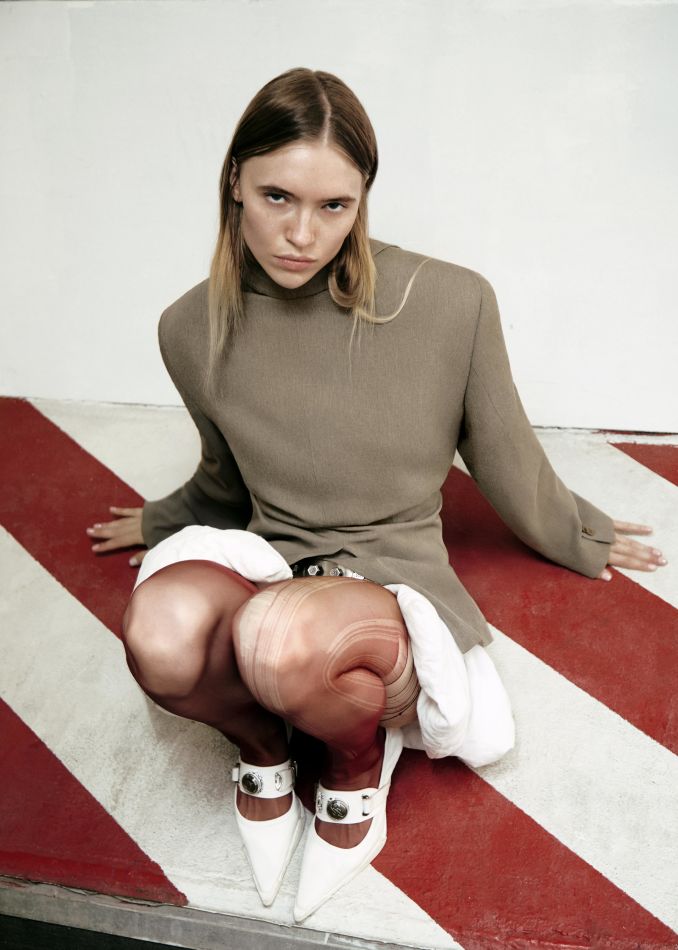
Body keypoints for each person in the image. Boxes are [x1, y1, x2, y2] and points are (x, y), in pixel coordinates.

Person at [87, 68, 667, 922]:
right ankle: (264, 751)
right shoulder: (188, 327)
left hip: (392, 583)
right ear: (234, 182)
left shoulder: (450, 302)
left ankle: (356, 770)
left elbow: (504, 454)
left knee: (283, 640)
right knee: (159, 631)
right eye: (277, 197)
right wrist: (164, 519)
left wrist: (580, 533)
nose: (302, 234)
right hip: (273, 563)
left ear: (363, 199)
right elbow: (225, 473)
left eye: (334, 206)